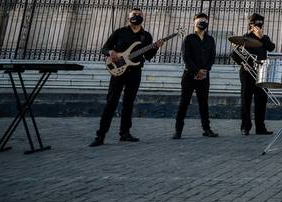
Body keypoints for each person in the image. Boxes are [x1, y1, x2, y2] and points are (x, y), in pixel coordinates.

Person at [89, 8, 164, 147]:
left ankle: (125, 133)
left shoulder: (145, 36)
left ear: (143, 17)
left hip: (135, 72)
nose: (136, 16)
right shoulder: (120, 32)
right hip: (118, 72)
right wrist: (111, 51)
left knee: (128, 103)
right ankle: (100, 135)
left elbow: (147, 57)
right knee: (111, 102)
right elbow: (104, 49)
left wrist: (156, 47)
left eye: (139, 15)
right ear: (128, 17)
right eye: (134, 15)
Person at [173, 12, 217, 139]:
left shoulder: (210, 40)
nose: (202, 22)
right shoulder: (188, 38)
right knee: (184, 103)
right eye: (200, 20)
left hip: (204, 76)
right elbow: (186, 57)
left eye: (204, 20)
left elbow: (212, 57)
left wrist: (205, 70)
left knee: (204, 103)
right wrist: (197, 70)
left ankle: (207, 129)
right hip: (189, 76)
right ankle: (178, 130)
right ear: (194, 22)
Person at [235, 12, 275, 136]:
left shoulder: (264, 38)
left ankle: (260, 127)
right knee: (246, 99)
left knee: (261, 100)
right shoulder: (244, 38)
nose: (260, 27)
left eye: (261, 24)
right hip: (247, 73)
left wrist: (262, 37)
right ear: (251, 25)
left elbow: (271, 47)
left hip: (261, 73)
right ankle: (245, 127)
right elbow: (235, 54)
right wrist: (243, 64)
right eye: (257, 24)